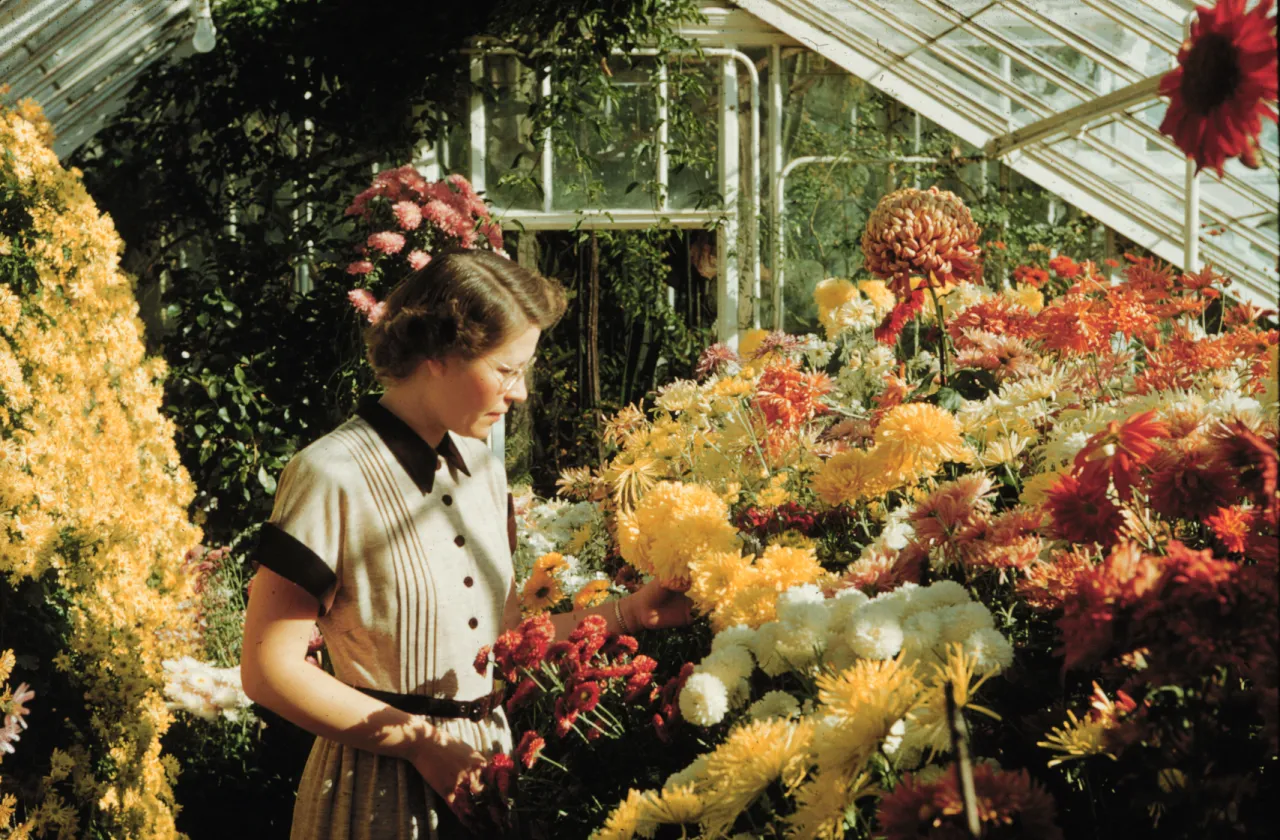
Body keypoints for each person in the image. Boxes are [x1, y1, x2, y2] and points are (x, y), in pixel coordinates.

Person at [240, 249, 694, 840]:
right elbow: (267, 669)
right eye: (506, 370)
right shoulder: (330, 474)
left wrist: (630, 612)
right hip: (374, 797)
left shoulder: (484, 471)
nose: (521, 392)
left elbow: (498, 646)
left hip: (487, 785)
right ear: (438, 353)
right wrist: (423, 744)